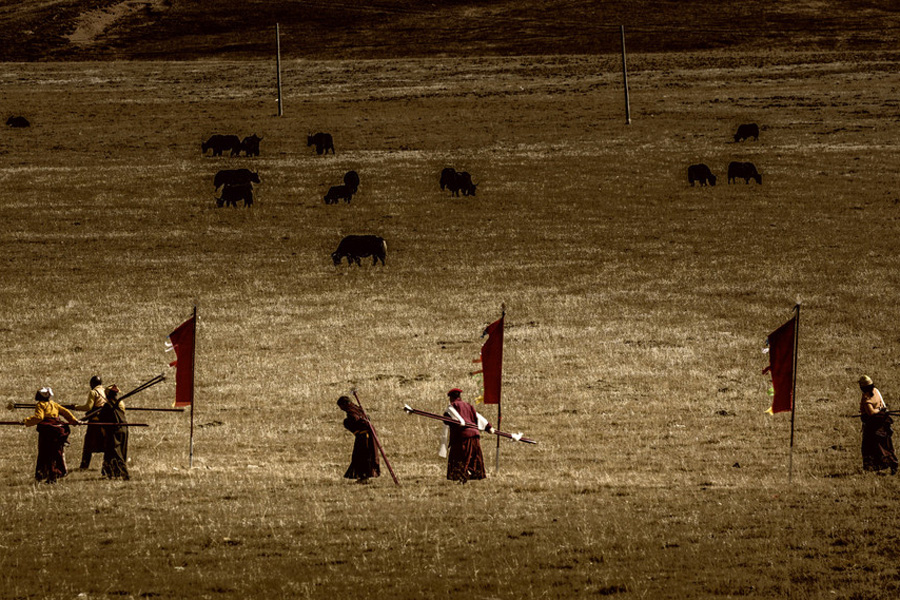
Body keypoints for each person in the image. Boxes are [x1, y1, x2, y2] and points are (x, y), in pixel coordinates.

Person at [23, 387, 82, 483]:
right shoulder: (54, 404)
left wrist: (26, 421)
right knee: (56, 453)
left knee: (45, 453)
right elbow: (66, 412)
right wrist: (74, 421)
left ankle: (48, 475)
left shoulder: (40, 405)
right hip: (57, 432)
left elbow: (39, 417)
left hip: (47, 433)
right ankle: (55, 473)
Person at [442, 388, 492, 483]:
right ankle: (470, 473)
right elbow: (478, 417)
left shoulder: (452, 407)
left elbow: (447, 420)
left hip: (462, 436)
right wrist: (488, 427)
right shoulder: (468, 405)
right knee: (473, 457)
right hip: (475, 436)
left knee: (461, 457)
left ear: (451, 398)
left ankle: (463, 476)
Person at [858, 375, 898, 474]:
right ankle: (891, 463)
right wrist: (882, 410)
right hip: (882, 422)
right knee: (886, 445)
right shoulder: (876, 391)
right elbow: (883, 406)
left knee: (873, 447)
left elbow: (871, 412)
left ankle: (878, 466)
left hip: (873, 426)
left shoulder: (866, 397)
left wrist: (878, 410)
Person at [336, 396, 380, 483]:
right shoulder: (356, 408)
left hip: (364, 436)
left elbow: (355, 419)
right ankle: (363, 477)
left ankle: (364, 477)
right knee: (361, 456)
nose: (341, 409)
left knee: (362, 456)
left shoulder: (351, 411)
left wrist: (347, 422)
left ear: (345, 404)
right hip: (365, 435)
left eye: (341, 406)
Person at [72, 375, 107, 469]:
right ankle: (107, 465)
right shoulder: (106, 391)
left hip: (95, 422)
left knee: (88, 445)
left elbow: (88, 407)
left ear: (92, 384)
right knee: (106, 444)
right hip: (105, 421)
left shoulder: (93, 392)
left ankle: (84, 466)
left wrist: (76, 407)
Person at [98, 385, 129, 480]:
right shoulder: (120, 403)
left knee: (116, 452)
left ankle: (124, 474)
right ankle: (108, 472)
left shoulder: (108, 405)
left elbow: (101, 418)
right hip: (124, 428)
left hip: (114, 430)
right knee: (111, 451)